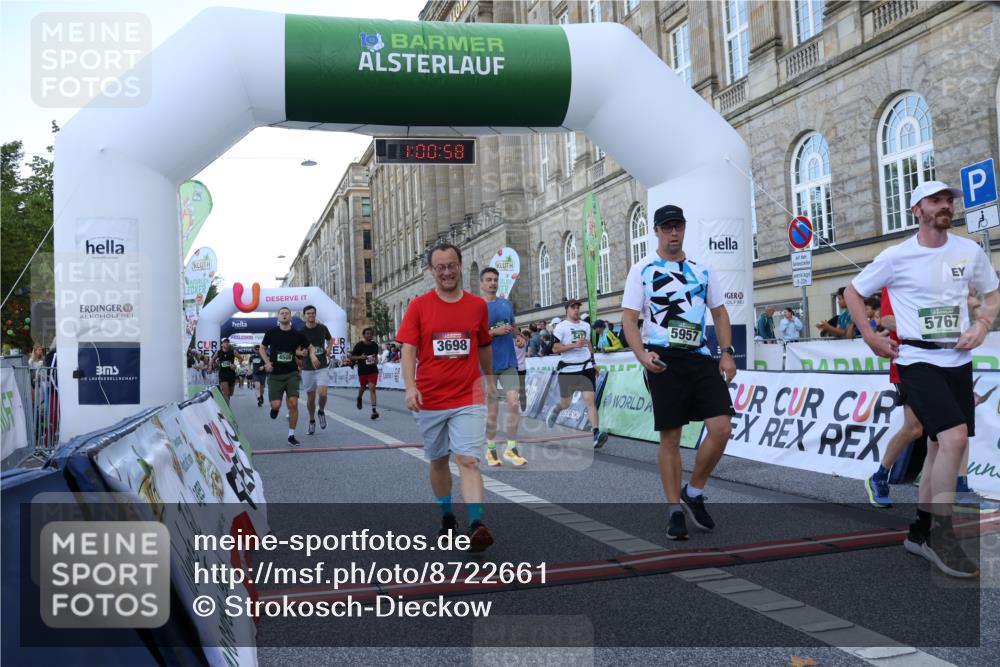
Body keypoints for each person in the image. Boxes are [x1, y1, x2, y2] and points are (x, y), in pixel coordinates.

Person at [846, 180, 999, 578]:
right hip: (915, 359)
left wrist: (982, 324)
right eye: (936, 200)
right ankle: (942, 537)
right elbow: (852, 292)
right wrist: (870, 336)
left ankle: (919, 531)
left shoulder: (969, 250)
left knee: (935, 448)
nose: (946, 205)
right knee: (955, 438)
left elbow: (993, 293)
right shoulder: (897, 256)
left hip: (958, 360)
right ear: (917, 210)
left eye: (949, 199)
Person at [620, 204, 737, 541]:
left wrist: (726, 353)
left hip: (699, 356)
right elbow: (629, 319)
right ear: (656, 231)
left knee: (721, 428)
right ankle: (674, 508)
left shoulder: (702, 269)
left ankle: (694, 491)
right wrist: (642, 355)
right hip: (663, 358)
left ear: (684, 229)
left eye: (678, 227)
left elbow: (720, 313)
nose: (673, 233)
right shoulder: (642, 269)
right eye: (666, 227)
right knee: (671, 437)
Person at [397, 242, 495, 551]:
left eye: (451, 265)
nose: (447, 272)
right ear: (431, 271)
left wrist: (489, 379)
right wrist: (410, 386)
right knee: (438, 460)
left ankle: (476, 524)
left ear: (460, 265)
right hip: (430, 399)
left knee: (468, 460)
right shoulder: (418, 306)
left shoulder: (477, 306)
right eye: (440, 267)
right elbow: (408, 349)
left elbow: (482, 345)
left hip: (468, 396)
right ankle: (447, 515)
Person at [866, 288, 999, 513]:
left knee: (956, 426)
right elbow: (887, 320)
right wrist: (932, 331)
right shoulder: (899, 275)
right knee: (915, 429)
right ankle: (879, 476)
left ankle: (957, 492)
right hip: (911, 364)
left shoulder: (943, 277)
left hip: (950, 363)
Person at [545, 299, 608, 449]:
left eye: (578, 307)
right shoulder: (560, 327)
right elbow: (555, 349)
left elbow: (589, 345)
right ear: (567, 309)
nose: (576, 310)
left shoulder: (586, 326)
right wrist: (574, 345)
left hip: (586, 368)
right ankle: (556, 409)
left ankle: (596, 434)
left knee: (590, 402)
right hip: (568, 370)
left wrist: (593, 363)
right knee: (566, 403)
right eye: (573, 307)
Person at [480, 267, 528, 467]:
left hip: (508, 361)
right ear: (482, 283)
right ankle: (490, 449)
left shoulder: (506, 304)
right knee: (492, 410)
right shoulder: (476, 306)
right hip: (487, 364)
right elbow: (472, 335)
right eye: (489, 280)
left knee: (514, 402)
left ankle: (511, 447)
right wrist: (494, 332)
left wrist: (519, 337)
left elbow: (513, 326)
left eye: (495, 279)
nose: (492, 283)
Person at [259, 306, 318, 447]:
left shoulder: (297, 335)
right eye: (282, 313)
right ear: (278, 317)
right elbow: (262, 348)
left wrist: (312, 354)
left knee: (293, 404)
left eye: (287, 313)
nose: (284, 315)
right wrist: (267, 363)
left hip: (292, 374)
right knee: (276, 404)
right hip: (275, 375)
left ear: (290, 317)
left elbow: (311, 347)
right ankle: (275, 409)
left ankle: (291, 435)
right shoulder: (271, 333)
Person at [299, 304, 334, 435]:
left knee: (323, 394)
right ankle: (312, 420)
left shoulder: (322, 328)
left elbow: (330, 340)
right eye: (308, 313)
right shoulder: (301, 331)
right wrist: (300, 353)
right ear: (304, 316)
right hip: (307, 368)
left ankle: (321, 411)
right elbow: (295, 349)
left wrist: (329, 348)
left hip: (322, 367)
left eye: (313, 313)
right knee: (311, 399)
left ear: (315, 314)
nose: (311, 315)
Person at [351, 327, 381, 419]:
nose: (369, 335)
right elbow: (352, 357)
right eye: (367, 333)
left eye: (371, 333)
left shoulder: (375, 345)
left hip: (373, 370)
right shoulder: (359, 345)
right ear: (364, 335)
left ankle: (374, 410)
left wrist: (376, 360)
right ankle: (359, 397)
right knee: (363, 387)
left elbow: (376, 357)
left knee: (372, 388)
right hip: (363, 370)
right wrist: (361, 357)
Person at [211, 338, 237, 405]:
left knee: (230, 393)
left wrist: (235, 366)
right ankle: (227, 409)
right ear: (222, 344)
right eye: (225, 342)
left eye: (227, 342)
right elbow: (212, 359)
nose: (226, 343)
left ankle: (227, 403)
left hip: (231, 374)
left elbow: (241, 359)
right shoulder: (219, 352)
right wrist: (212, 366)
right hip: (223, 374)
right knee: (226, 393)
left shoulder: (233, 352)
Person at [515, 328, 529, 412]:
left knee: (514, 390)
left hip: (515, 367)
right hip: (523, 367)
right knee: (522, 389)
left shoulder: (513, 342)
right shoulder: (524, 341)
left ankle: (516, 408)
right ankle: (523, 409)